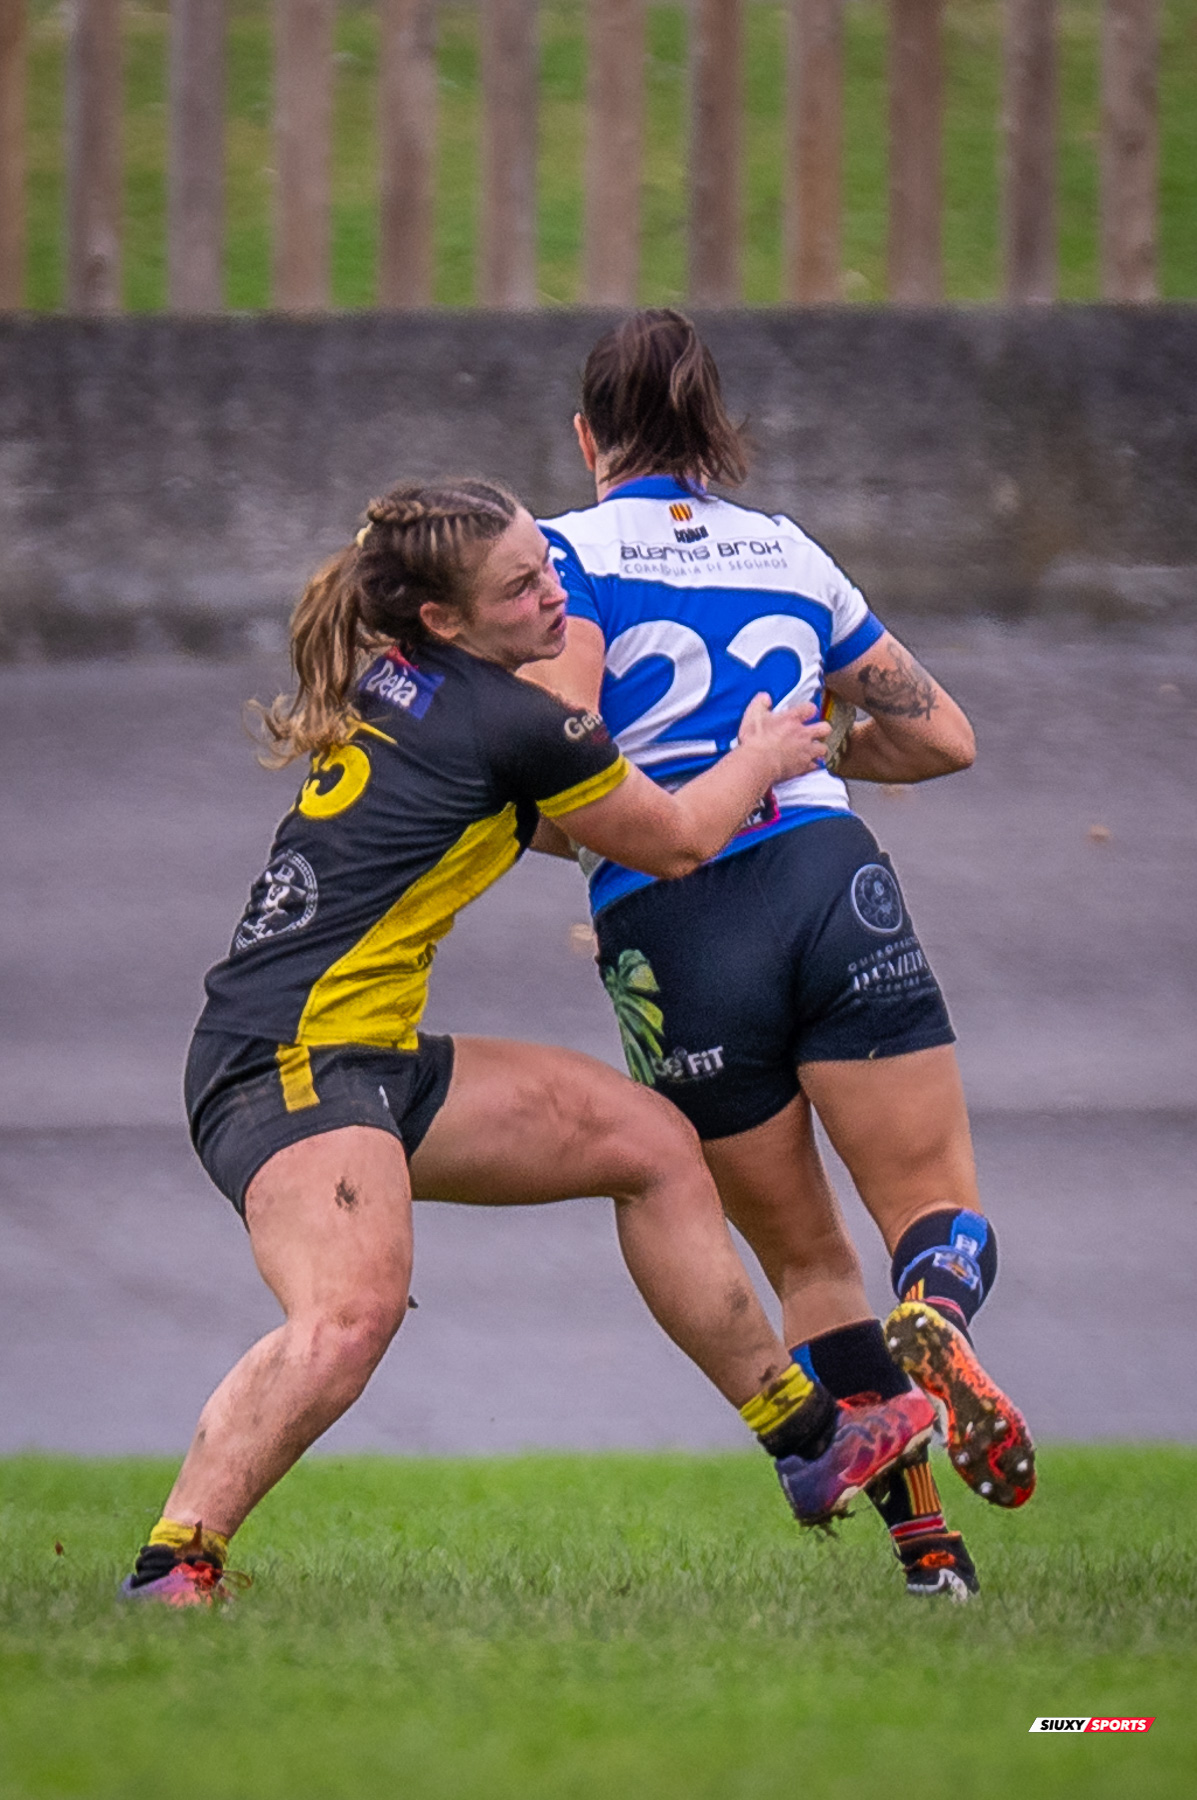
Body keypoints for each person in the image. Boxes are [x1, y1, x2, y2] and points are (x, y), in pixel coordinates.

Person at [118, 478, 936, 1607]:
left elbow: (564, 815)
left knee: (647, 1143)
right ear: (446, 621)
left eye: (547, 568)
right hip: (289, 1065)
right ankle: (176, 1564)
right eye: (523, 587)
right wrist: (765, 750)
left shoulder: (430, 682)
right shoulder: (519, 721)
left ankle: (809, 1440)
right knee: (352, 1315)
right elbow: (682, 842)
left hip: (363, 1055)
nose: (557, 596)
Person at [532, 311, 1036, 1602]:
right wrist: (818, 752)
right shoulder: (791, 553)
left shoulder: (562, 558)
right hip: (826, 877)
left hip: (671, 918)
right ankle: (941, 1309)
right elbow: (945, 739)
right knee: (932, 1201)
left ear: (589, 437)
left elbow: (566, 745)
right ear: (714, 436)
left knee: (808, 1264)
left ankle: (932, 1561)